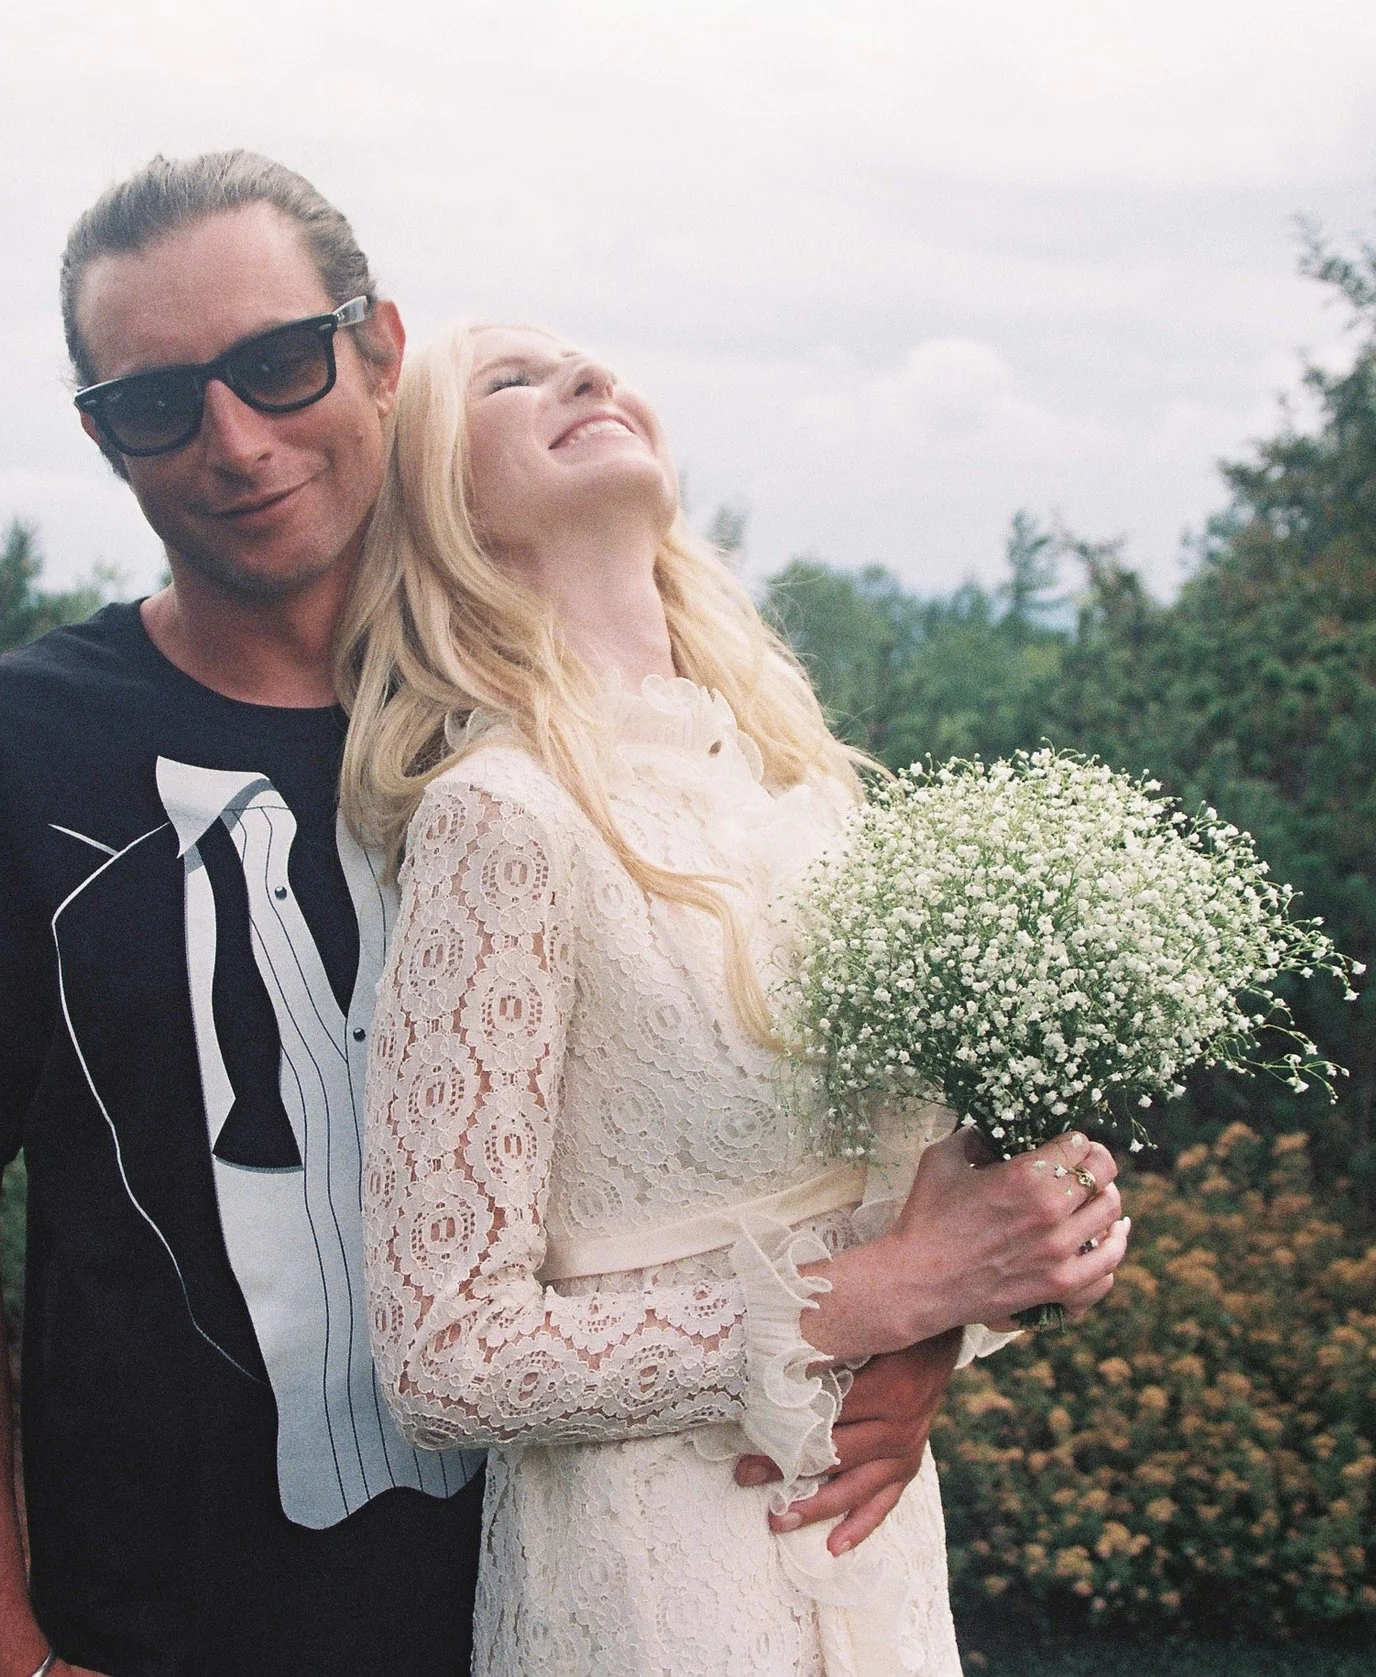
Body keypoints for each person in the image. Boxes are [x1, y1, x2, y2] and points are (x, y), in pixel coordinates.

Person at [0, 151, 1012, 1677]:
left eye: (278, 364)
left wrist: (913, 1343)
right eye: (157, 403)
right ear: (104, 440)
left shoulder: (591, 749)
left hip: (607, 1581)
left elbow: (799, 1137)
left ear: (378, 352)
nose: (234, 440)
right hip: (174, 1626)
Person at [342, 321, 1133, 1675]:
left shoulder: (803, 788)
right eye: (511, 381)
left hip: (868, 1537)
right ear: (444, 500)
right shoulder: (500, 816)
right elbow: (447, 1356)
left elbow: (909, 1212)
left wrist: (1010, 1256)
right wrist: (881, 1295)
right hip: (652, 1572)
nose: (586, 379)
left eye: (588, 361)